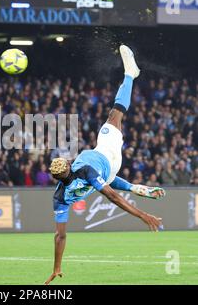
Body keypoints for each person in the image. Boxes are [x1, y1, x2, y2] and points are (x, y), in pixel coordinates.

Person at [44, 45, 166, 285]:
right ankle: (130, 73)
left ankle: (135, 187)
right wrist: (142, 215)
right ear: (68, 165)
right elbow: (111, 197)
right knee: (114, 115)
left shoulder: (60, 196)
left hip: (108, 171)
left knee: (108, 177)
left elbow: (60, 236)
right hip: (106, 155)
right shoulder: (83, 169)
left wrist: (57, 267)